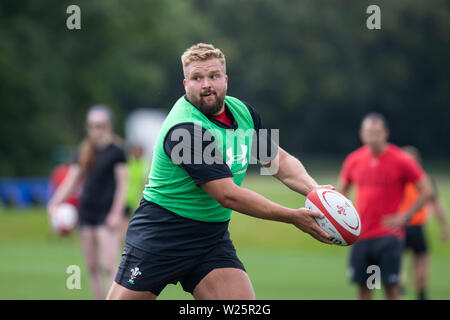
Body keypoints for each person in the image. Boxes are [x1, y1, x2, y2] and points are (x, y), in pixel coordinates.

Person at [106, 43, 334, 300]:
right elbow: (228, 195)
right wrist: (293, 216)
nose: (206, 84)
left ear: (226, 80)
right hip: (162, 235)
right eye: (197, 78)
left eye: (213, 76)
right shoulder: (185, 129)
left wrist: (317, 192)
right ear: (185, 84)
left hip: (210, 239)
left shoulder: (243, 113)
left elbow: (277, 160)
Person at [337, 113, 434, 300]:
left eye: (377, 133)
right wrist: (344, 218)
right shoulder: (354, 160)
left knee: (391, 291)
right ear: (361, 134)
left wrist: (406, 217)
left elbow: (427, 190)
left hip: (388, 237)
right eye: (369, 133)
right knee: (365, 291)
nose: (373, 137)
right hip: (361, 236)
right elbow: (341, 191)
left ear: (385, 134)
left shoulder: (401, 160)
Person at [47, 105, 128, 300]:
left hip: (106, 213)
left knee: (109, 266)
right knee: (92, 267)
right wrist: (54, 202)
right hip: (86, 213)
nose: (95, 130)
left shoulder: (116, 151)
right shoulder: (84, 150)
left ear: (109, 126)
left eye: (100, 126)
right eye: (92, 126)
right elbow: (72, 180)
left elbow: (122, 184)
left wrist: (116, 214)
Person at [398, 146, 448, 300]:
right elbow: (437, 204)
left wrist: (445, 226)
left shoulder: (397, 177)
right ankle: (419, 294)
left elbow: (436, 204)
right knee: (419, 264)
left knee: (401, 264)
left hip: (402, 226)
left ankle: (401, 286)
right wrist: (444, 226)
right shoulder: (424, 178)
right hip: (409, 227)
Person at [123, 145, 149, 239]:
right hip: (126, 196)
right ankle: (125, 238)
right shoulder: (128, 162)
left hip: (137, 198)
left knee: (134, 219)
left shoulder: (144, 163)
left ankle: (129, 237)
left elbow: (145, 181)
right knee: (125, 220)